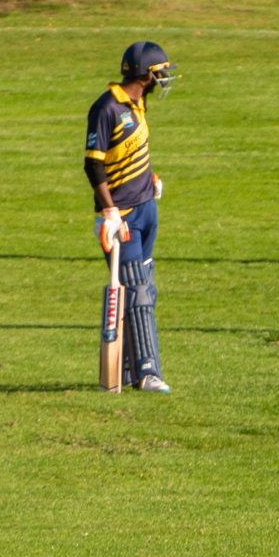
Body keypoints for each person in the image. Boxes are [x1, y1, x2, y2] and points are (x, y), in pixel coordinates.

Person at [84, 41, 176, 393]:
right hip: (121, 217)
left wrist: (148, 177)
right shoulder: (106, 107)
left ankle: (125, 371)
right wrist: (108, 211)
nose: (163, 78)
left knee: (144, 289)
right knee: (137, 291)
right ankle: (149, 371)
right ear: (146, 74)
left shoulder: (137, 104)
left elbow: (132, 150)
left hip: (146, 209)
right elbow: (93, 164)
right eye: (160, 71)